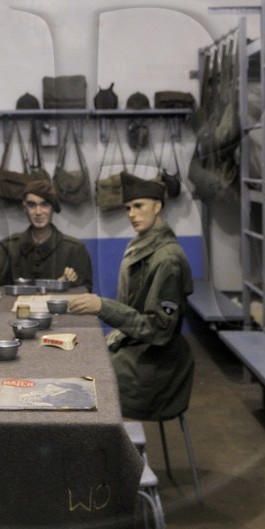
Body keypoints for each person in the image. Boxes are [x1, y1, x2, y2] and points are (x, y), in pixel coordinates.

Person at [66, 172, 194, 422]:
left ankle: (105, 455)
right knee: (79, 359)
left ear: (157, 206)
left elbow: (158, 330)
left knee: (83, 381)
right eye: (127, 208)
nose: (131, 214)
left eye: (138, 206)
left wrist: (103, 306)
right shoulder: (142, 245)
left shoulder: (167, 259)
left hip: (155, 365)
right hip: (135, 350)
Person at [0, 177, 93, 287]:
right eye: (32, 205)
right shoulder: (8, 248)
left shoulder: (74, 250)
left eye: (44, 204)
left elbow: (85, 294)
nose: (38, 212)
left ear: (52, 207)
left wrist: (70, 282)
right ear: (25, 208)